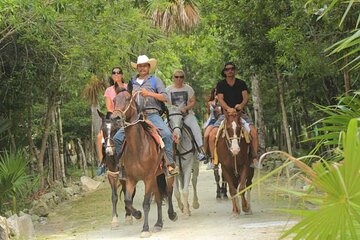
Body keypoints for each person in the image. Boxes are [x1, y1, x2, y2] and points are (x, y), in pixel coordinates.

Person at [113, 55, 179, 176]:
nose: (142, 68)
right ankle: (122, 166)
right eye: (140, 66)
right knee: (117, 138)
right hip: (135, 117)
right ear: (137, 67)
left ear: (149, 67)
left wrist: (148, 93)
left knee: (167, 134)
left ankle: (169, 163)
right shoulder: (132, 82)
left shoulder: (155, 80)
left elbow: (166, 98)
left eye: (145, 65)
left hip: (152, 114)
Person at [208, 62, 261, 169]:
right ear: (224, 72)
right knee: (211, 135)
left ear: (234, 70)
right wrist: (228, 109)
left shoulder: (241, 83)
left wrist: (241, 105)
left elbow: (246, 97)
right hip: (225, 115)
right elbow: (221, 99)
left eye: (232, 69)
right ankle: (214, 159)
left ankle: (254, 158)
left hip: (240, 114)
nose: (230, 71)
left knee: (254, 133)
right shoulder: (221, 84)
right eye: (227, 69)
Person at [165, 69, 207, 162]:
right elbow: (165, 102)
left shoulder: (188, 88)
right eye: (176, 77)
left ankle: (200, 151)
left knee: (196, 128)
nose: (179, 79)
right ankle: (164, 153)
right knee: (163, 129)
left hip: (187, 115)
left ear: (184, 78)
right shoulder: (167, 89)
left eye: (181, 77)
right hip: (173, 116)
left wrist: (186, 108)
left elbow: (193, 102)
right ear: (173, 78)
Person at [96, 67, 127, 175]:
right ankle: (103, 162)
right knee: (100, 136)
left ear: (122, 75)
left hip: (126, 116)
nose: (116, 74)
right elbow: (109, 107)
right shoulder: (109, 90)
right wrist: (116, 115)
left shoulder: (127, 87)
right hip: (113, 117)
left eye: (119, 72)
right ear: (112, 75)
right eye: (114, 73)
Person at [203, 87, 221, 169]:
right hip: (213, 121)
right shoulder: (210, 102)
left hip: (223, 120)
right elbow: (209, 114)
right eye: (215, 92)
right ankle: (207, 155)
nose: (216, 94)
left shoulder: (224, 101)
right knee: (206, 135)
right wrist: (206, 124)